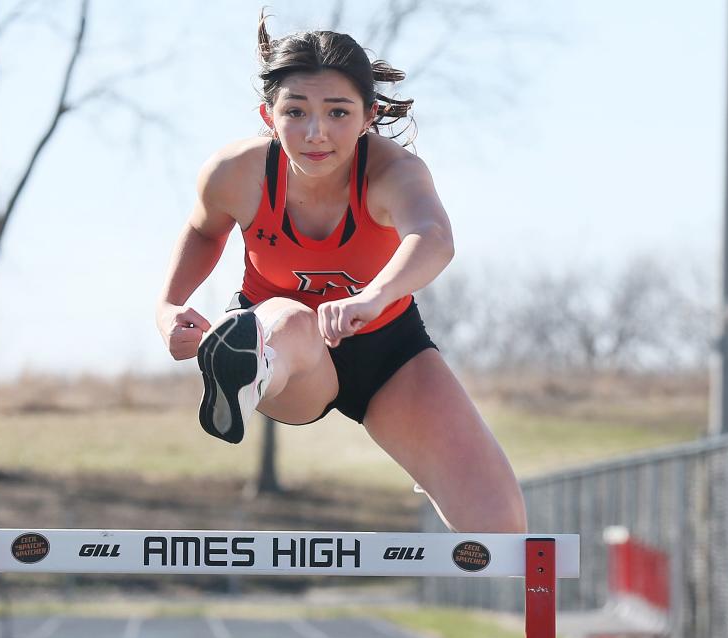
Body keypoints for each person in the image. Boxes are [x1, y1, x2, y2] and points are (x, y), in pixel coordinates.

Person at [155, 13, 527, 534]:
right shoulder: (235, 174)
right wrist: (168, 308)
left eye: (337, 112)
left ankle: (426, 460)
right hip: (287, 349)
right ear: (268, 115)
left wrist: (373, 298)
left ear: (368, 115)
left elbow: (434, 237)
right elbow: (203, 231)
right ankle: (246, 374)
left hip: (388, 352)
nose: (316, 133)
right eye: (296, 112)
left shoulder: (393, 173)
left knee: (503, 534)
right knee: (291, 319)